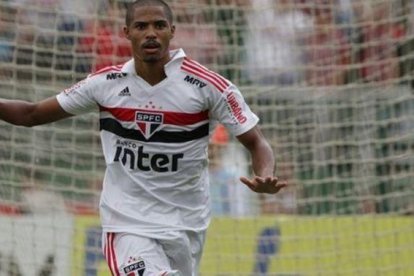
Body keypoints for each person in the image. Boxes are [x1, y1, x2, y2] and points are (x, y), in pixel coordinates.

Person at [0, 0, 287, 275]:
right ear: (126, 32)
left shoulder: (209, 86)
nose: (151, 33)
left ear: (172, 31)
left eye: (159, 25)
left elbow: (256, 141)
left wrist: (265, 173)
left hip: (186, 222)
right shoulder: (105, 84)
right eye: (141, 26)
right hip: (127, 222)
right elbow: (31, 114)